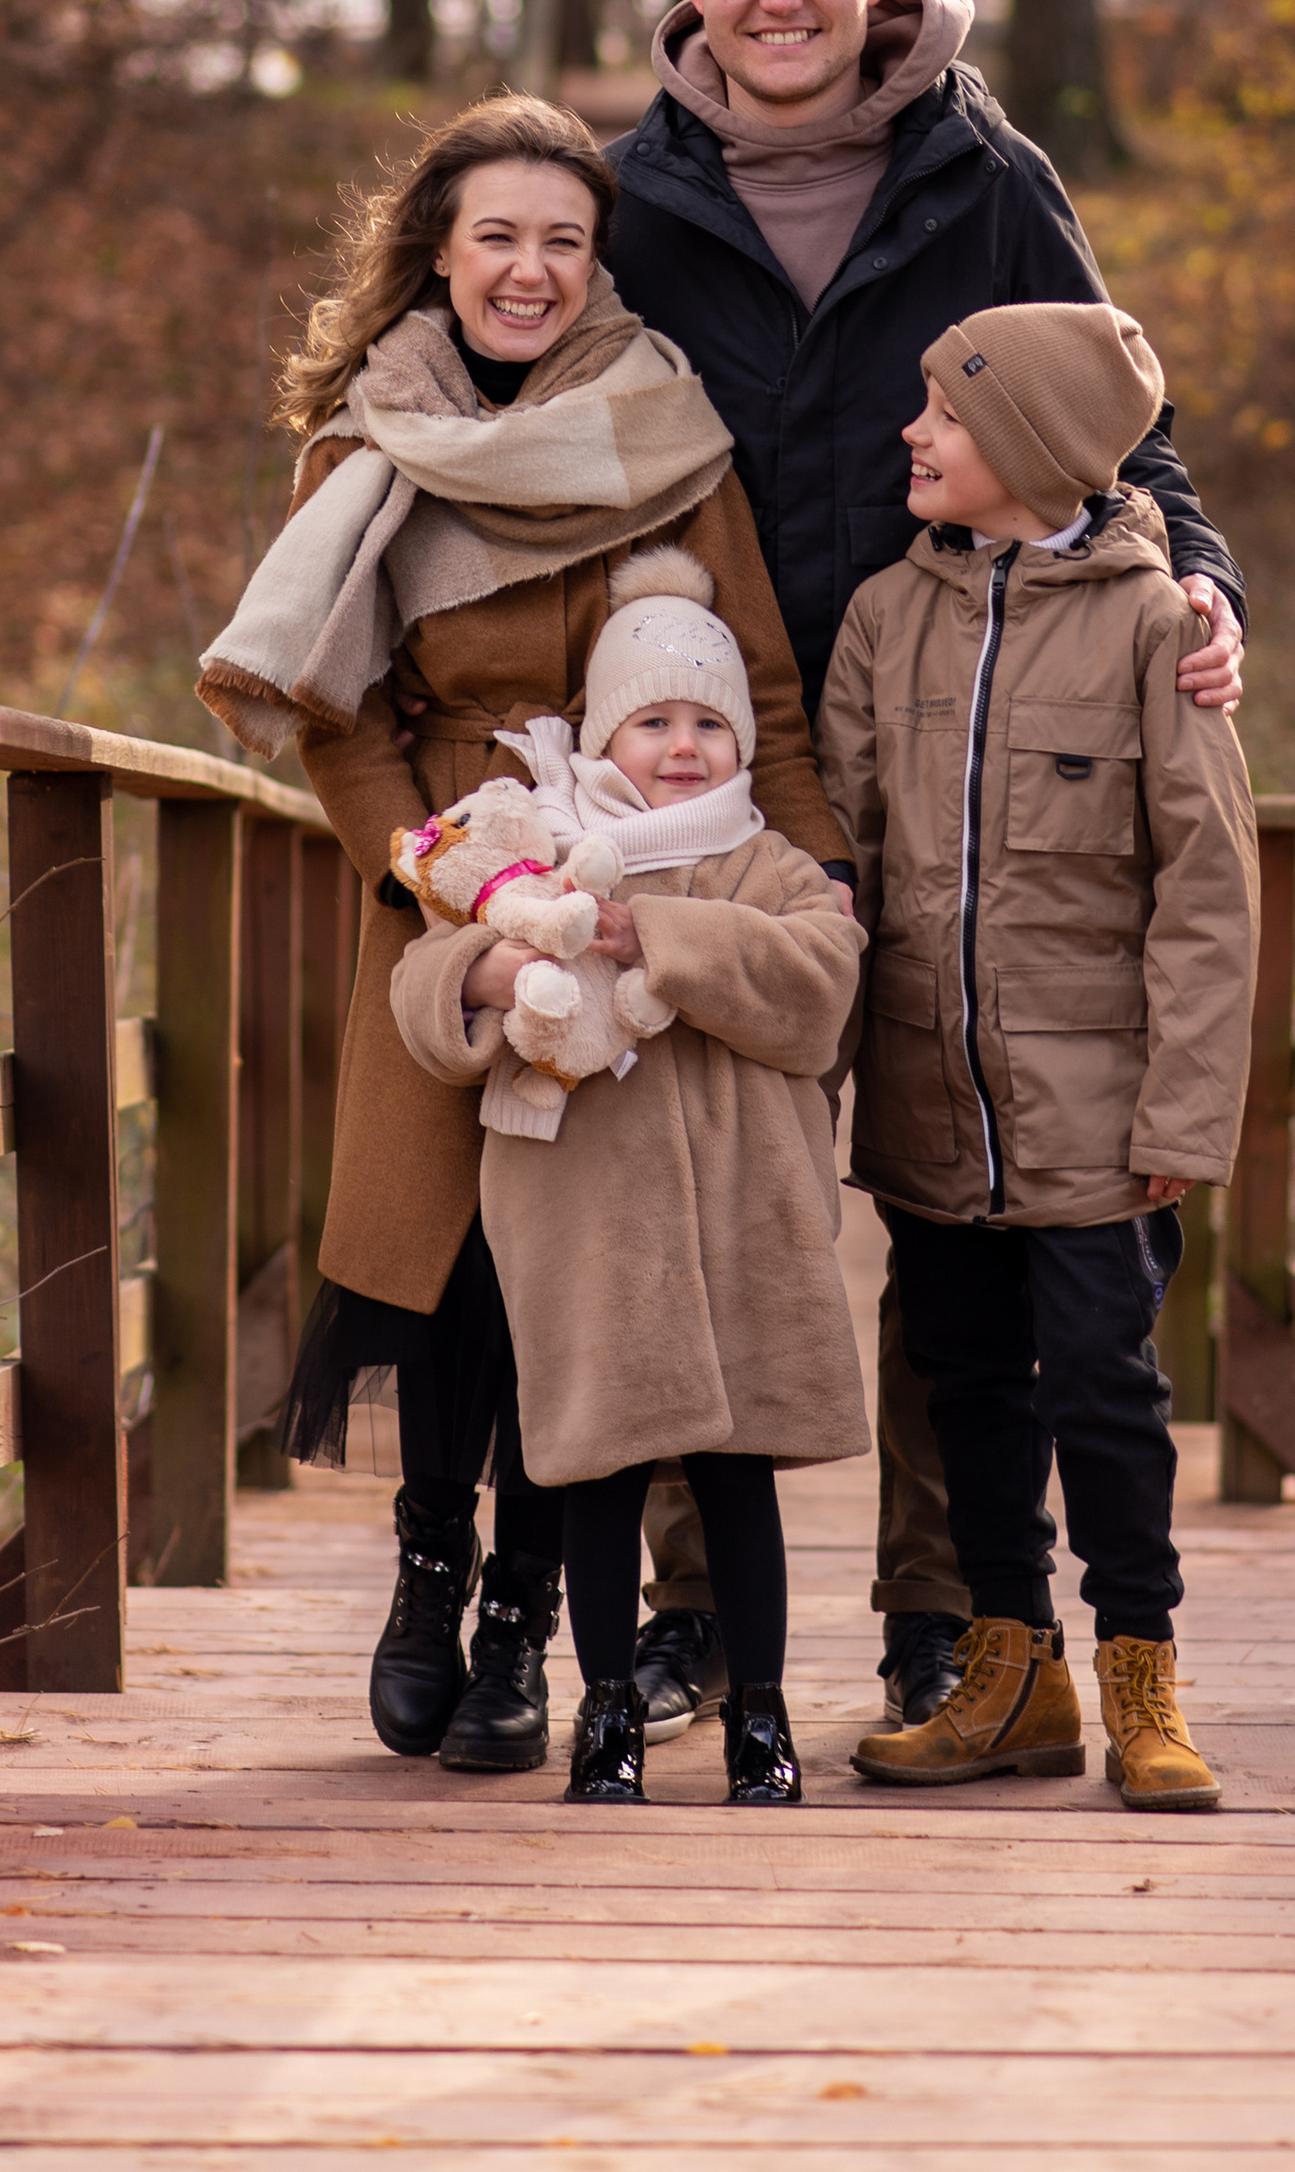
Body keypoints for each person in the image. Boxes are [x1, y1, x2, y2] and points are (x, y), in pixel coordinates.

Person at [605, 0, 1250, 1740]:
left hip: (964, 724)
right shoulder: (629, 193)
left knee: (952, 1193)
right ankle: (698, 1605)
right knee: (707, 1178)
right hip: (709, 761)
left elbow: (1119, 421)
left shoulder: (984, 176)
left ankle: (956, 1617)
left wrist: (1200, 580)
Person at [199, 95, 844, 1778]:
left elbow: (759, 695)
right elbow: (343, 720)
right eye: (498, 234)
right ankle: (433, 1571)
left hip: (645, 896)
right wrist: (458, 884)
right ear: (438, 248)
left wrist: (816, 894)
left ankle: (524, 1624)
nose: (532, 268)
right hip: (465, 894)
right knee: (462, 1268)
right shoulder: (365, 451)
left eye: (565, 238)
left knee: (583, 1268)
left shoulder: (669, 433)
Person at [817, 300, 1257, 1805]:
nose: (912, 433)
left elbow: (1210, 885)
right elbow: (843, 861)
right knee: (964, 1383)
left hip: (1098, 1106)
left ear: (1030, 443)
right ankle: (1013, 1668)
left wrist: (1186, 1106)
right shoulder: (886, 615)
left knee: (1102, 1383)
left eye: (942, 412)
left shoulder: (1158, 623)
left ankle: (1143, 1663)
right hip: (933, 1091)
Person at [387, 553, 866, 1803]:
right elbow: (425, 986)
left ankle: (760, 1713)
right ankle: (604, 1710)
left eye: (710, 721)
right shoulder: (537, 844)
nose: (685, 746)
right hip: (588, 1229)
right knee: (594, 1466)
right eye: (653, 719)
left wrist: (650, 930)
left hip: (737, 1229)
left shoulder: (763, 863)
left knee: (734, 1477)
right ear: (605, 731)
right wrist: (491, 976)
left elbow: (818, 986)